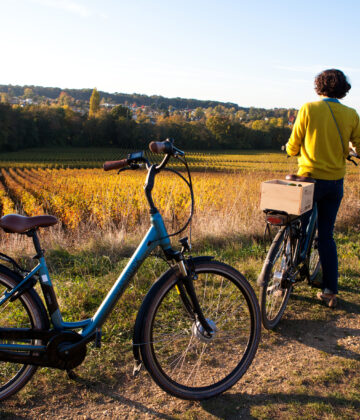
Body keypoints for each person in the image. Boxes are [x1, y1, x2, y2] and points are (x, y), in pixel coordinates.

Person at [286, 69, 360, 308]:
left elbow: (293, 145)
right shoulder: (351, 114)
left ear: (319, 86)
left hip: (308, 179)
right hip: (334, 182)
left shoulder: (308, 109)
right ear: (343, 90)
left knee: (295, 225)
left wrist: (290, 150)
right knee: (326, 235)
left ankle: (282, 278)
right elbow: (358, 146)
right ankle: (330, 291)